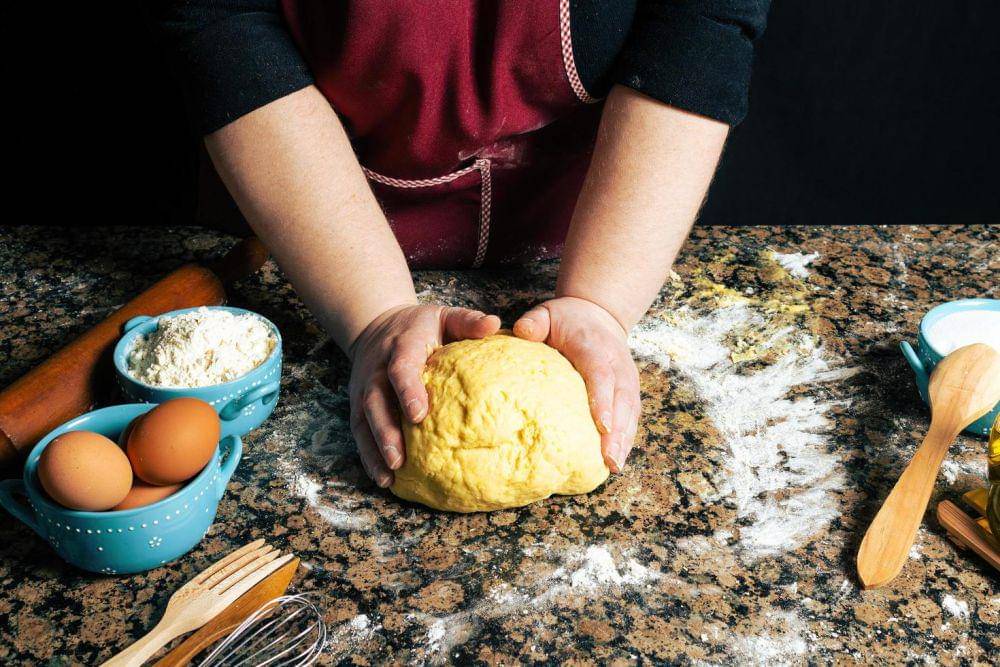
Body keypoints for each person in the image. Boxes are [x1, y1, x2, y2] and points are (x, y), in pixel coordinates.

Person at [149, 1, 771, 487]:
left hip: (604, 213)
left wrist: (602, 303)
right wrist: (373, 315)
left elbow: (700, 22)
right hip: (316, 214)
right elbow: (223, 22)